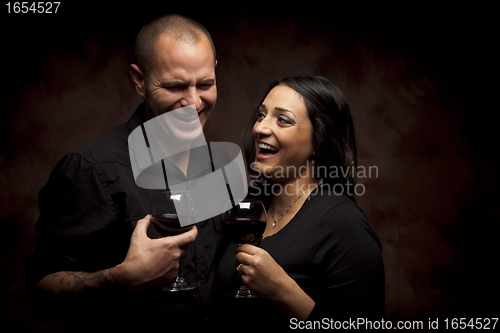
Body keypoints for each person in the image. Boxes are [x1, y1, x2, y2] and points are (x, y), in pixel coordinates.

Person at [25, 14, 221, 330]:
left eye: (206, 84)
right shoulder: (90, 169)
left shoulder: (214, 163)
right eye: (175, 86)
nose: (193, 102)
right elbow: (42, 297)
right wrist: (123, 278)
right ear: (139, 80)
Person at [211, 75, 385, 329]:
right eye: (261, 115)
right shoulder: (248, 207)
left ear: (320, 140)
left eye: (283, 120)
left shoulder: (343, 223)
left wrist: (284, 292)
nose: (260, 128)